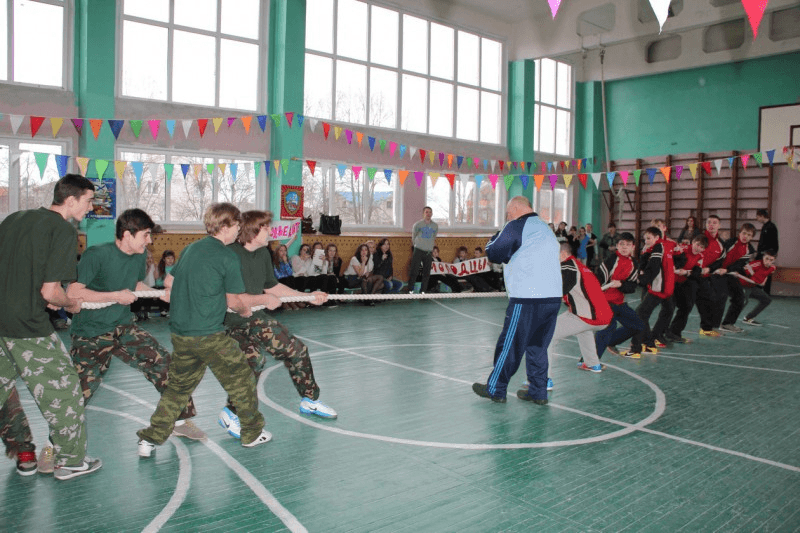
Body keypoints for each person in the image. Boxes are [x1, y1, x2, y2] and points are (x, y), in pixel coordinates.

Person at [54, 209, 206, 472]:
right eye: (146, 235)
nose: (150, 241)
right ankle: (53, 446)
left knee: (165, 365)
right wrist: (114, 296)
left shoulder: (138, 257)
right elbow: (74, 292)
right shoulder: (96, 254)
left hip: (123, 328)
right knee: (78, 393)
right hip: (91, 333)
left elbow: (134, 286)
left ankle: (180, 421)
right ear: (127, 234)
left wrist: (159, 294)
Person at [137, 203, 271, 458]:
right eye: (236, 226)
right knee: (242, 379)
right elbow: (234, 300)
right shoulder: (227, 256)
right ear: (224, 227)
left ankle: (149, 439)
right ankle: (252, 433)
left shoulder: (190, 249)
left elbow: (169, 282)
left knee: (177, 389)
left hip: (180, 334)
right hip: (209, 336)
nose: (238, 231)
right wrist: (252, 307)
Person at [0, 174, 103, 480]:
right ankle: (71, 461)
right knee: (66, 393)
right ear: (70, 200)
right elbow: (50, 291)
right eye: (88, 201)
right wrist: (69, 304)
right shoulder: (62, 229)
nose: (91, 207)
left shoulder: (13, 218)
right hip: (26, 326)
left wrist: (48, 297)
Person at [219, 210, 336, 439]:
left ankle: (310, 401)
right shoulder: (229, 254)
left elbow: (272, 287)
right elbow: (230, 298)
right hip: (229, 323)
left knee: (297, 350)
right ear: (253, 231)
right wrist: (263, 300)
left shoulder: (263, 253)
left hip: (256, 318)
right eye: (266, 228)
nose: (270, 231)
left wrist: (307, 296)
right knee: (253, 360)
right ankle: (230, 413)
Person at [472, 196, 561, 405]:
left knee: (509, 345)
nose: (507, 216)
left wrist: (497, 234)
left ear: (515, 207)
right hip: (552, 298)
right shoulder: (545, 228)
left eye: (507, 212)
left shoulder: (517, 225)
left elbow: (493, 252)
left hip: (527, 297)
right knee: (538, 346)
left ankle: (496, 388)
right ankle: (538, 392)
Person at [551, 243, 613, 373]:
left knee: (544, 334)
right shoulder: (581, 267)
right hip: (604, 319)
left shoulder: (568, 266)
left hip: (587, 317)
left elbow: (561, 290)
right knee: (583, 329)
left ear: (563, 254)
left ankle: (540, 379)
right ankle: (592, 363)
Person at [620, 226, 675, 358]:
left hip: (659, 289)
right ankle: (649, 344)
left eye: (649, 238)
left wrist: (643, 279)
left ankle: (638, 347)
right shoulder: (661, 247)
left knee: (639, 315)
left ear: (657, 237)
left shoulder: (658, 248)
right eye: (645, 239)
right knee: (644, 314)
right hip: (665, 289)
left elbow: (654, 267)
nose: (646, 241)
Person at [593, 232, 646, 359]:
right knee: (607, 329)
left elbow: (632, 287)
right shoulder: (610, 260)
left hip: (619, 303)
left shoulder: (634, 263)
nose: (624, 247)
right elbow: (597, 278)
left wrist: (620, 284)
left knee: (638, 325)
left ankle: (611, 342)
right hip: (604, 303)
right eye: (622, 244)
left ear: (633, 247)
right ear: (617, 245)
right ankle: (589, 361)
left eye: (628, 244)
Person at [665, 234, 708, 344]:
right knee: (669, 308)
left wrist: (687, 272)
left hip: (682, 282)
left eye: (702, 247)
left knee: (686, 307)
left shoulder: (700, 256)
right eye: (697, 244)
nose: (698, 248)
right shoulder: (682, 249)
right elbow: (670, 257)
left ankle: (675, 332)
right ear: (692, 242)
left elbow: (697, 272)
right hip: (670, 281)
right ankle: (659, 334)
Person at [718, 224, 757, 333]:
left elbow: (738, 265)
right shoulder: (730, 242)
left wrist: (728, 270)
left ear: (752, 237)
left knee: (740, 298)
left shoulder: (749, 250)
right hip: (717, 272)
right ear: (739, 233)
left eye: (749, 235)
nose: (745, 236)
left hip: (729, 273)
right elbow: (719, 254)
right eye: (744, 233)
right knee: (719, 298)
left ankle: (727, 324)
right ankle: (710, 326)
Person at [695, 215, 727, 337]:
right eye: (709, 222)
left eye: (714, 223)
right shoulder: (700, 239)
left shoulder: (720, 244)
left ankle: (706, 329)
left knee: (710, 300)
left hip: (705, 278)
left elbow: (720, 261)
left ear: (719, 225)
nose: (711, 225)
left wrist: (710, 269)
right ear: (706, 225)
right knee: (683, 306)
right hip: (692, 276)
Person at [727, 250, 777, 326]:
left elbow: (766, 275)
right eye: (766, 258)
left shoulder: (772, 267)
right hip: (741, 285)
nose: (768, 261)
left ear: (774, 261)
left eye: (771, 260)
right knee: (743, 301)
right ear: (763, 257)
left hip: (751, 286)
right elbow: (749, 277)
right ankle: (727, 323)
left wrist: (763, 280)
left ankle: (748, 318)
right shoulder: (755, 265)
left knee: (767, 300)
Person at [405, 206, 438, 293]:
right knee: (414, 271)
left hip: (428, 252)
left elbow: (434, 237)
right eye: (426, 212)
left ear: (432, 214)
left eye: (430, 212)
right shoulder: (418, 225)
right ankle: (410, 290)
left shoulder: (435, 226)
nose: (428, 214)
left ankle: (423, 291)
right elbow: (414, 236)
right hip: (418, 250)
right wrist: (417, 245)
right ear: (423, 214)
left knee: (426, 272)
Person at [755, 209, 779, 294]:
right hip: (761, 253)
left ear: (762, 216)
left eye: (758, 216)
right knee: (758, 271)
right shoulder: (764, 226)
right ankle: (757, 291)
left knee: (766, 273)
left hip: (767, 254)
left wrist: (771, 256)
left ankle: (766, 292)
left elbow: (775, 243)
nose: (757, 218)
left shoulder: (771, 226)